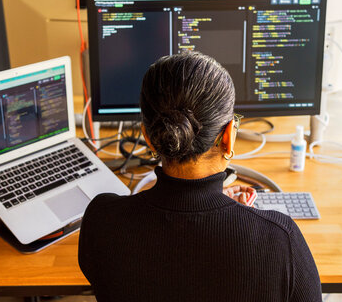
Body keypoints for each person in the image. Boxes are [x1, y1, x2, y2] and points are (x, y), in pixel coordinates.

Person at [78, 51, 322, 302]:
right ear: (228, 136)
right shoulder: (279, 240)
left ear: (148, 137)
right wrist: (240, 220)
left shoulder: (102, 221)